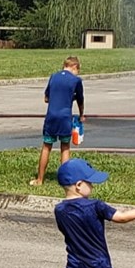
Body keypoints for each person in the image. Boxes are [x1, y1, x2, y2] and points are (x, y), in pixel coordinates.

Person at [32, 56, 84, 186]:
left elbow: (46, 98)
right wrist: (81, 114)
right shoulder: (76, 80)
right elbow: (80, 100)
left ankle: (40, 179)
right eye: (78, 70)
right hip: (65, 117)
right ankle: (65, 180)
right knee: (65, 147)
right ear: (74, 67)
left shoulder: (53, 77)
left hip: (51, 116)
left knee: (46, 146)